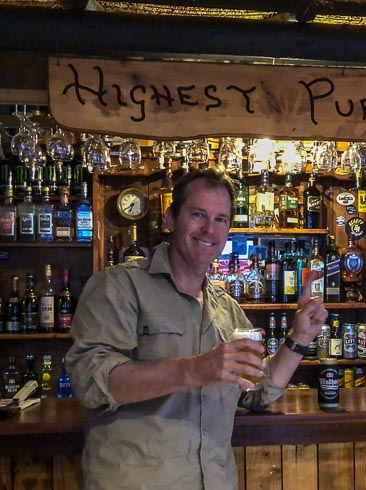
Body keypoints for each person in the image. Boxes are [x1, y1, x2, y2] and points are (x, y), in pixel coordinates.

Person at [66, 168, 328, 490]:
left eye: (221, 219)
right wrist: (194, 370)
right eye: (198, 214)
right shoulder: (118, 286)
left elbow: (256, 391)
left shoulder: (226, 308)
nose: (209, 229)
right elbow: (89, 381)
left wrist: (300, 336)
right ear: (170, 219)